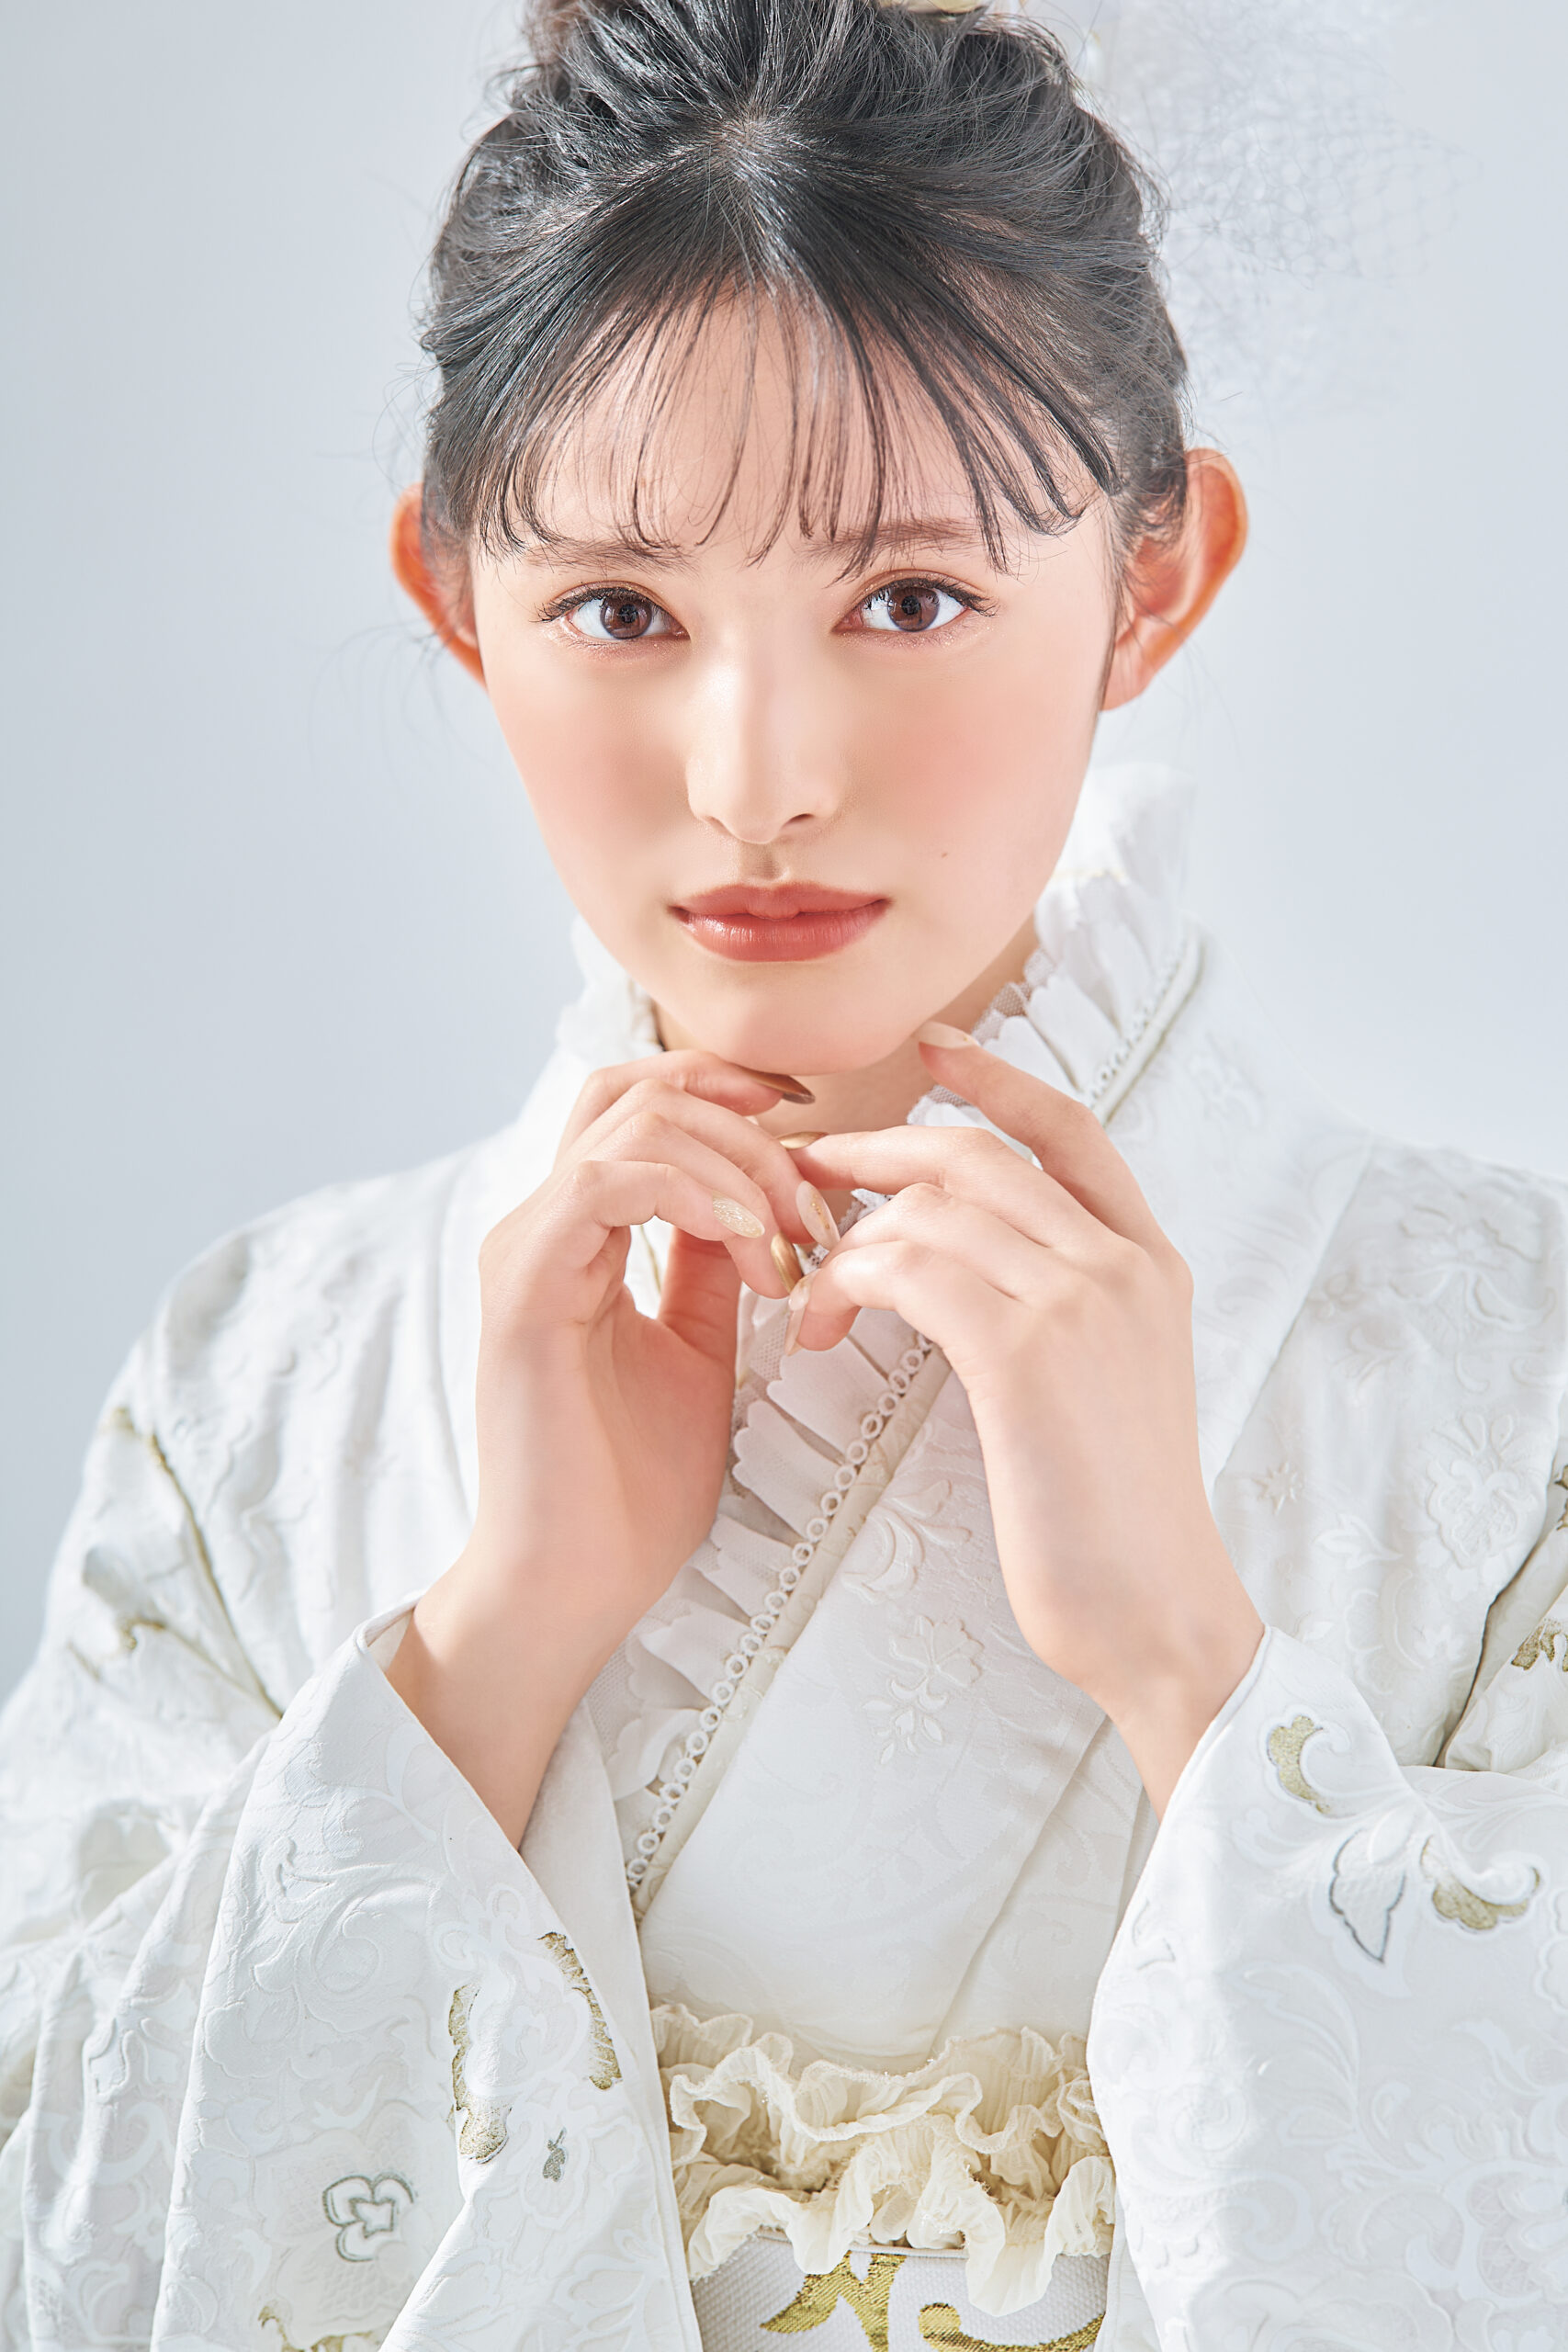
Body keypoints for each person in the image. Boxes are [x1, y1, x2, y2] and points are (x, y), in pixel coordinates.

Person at [3, 1, 1566, 2344]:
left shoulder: (1509, 1372)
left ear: (1153, 578)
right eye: (620, 610)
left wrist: (1185, 1656)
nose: (755, 779)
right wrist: (492, 1637)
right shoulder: (262, 1387)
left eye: (906, 600)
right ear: (451, 593)